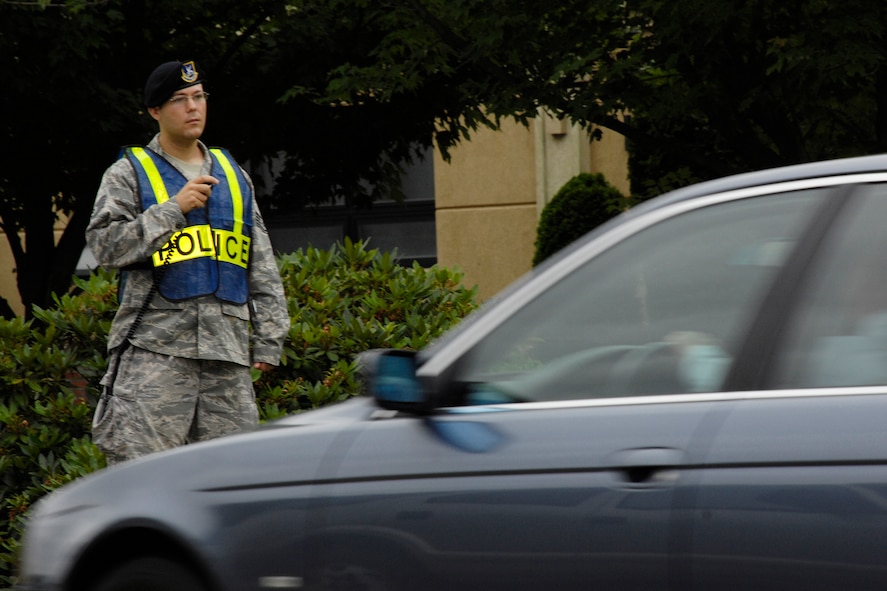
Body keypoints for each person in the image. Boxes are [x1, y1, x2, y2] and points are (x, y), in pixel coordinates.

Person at [86, 60, 290, 464]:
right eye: (179, 100)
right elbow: (105, 247)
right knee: (142, 479)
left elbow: (260, 261)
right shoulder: (128, 174)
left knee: (233, 481)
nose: (193, 107)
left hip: (226, 359)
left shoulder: (234, 175)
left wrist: (269, 338)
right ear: (155, 111)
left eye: (198, 97)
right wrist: (171, 210)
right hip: (154, 354)